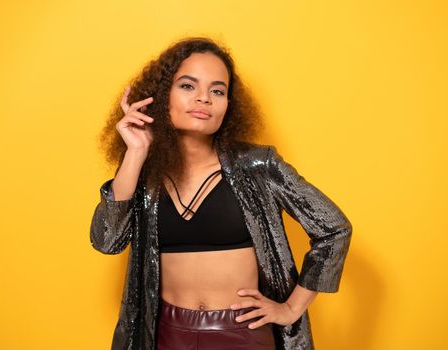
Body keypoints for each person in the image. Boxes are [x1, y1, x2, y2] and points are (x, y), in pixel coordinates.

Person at [90, 36, 352, 350]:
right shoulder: (143, 173)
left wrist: (291, 307)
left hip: (243, 333)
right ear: (161, 97)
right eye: (188, 86)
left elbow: (333, 228)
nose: (204, 98)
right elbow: (107, 241)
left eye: (218, 90)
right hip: (164, 333)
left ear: (229, 105)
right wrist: (136, 152)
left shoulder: (257, 165)